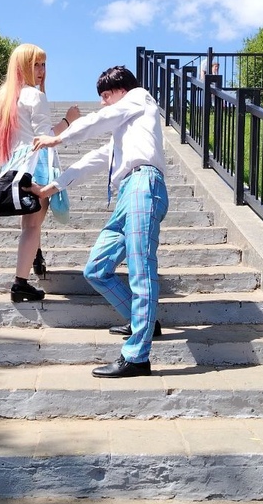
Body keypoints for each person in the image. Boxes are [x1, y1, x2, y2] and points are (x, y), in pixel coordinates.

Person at [31, 65, 168, 379]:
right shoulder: (129, 130)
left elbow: (100, 119)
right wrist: (51, 188)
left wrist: (58, 138)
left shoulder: (140, 98)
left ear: (122, 90)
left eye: (106, 95)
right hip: (128, 194)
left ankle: (137, 357)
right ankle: (143, 322)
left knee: (140, 268)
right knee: (96, 268)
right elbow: (92, 160)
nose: (103, 103)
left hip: (144, 186)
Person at [0, 43, 80, 302]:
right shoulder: (35, 96)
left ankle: (35, 257)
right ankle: (20, 283)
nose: (41, 71)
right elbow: (45, 137)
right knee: (32, 225)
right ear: (22, 67)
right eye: (35, 65)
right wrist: (69, 120)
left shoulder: (6, 97)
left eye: (43, 64)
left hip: (16, 165)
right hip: (36, 164)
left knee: (29, 222)